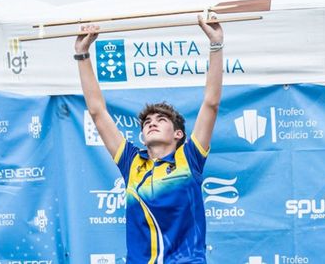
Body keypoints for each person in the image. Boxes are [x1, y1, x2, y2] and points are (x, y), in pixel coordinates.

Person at [75, 14, 223, 264]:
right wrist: (82, 54)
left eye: (161, 120)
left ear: (179, 134)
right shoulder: (132, 163)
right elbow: (98, 112)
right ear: (142, 137)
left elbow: (211, 103)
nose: (152, 122)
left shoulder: (189, 159)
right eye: (147, 122)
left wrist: (216, 44)